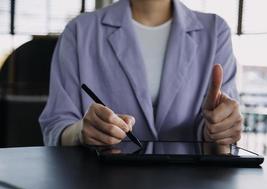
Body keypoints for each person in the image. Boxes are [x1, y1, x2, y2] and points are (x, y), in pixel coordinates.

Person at [39, 0, 243, 147]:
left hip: (191, 184)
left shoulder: (215, 31)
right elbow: (56, 125)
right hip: (101, 184)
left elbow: (220, 120)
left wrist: (218, 126)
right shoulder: (80, 31)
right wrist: (80, 132)